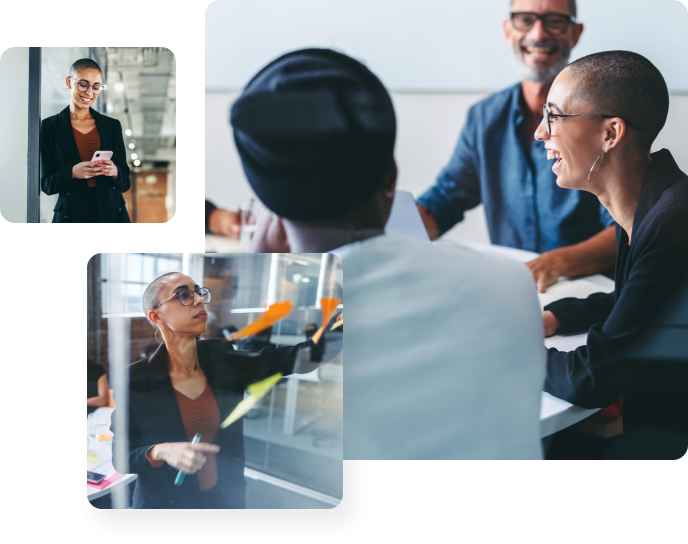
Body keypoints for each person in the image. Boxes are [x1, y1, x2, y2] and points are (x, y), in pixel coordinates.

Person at [232, 48, 547, 459]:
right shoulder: (510, 281)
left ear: (265, 203)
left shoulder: (270, 358)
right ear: (391, 177)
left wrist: (259, 279)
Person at [534, 51, 688, 459]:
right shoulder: (654, 202)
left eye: (554, 116)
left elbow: (591, 379)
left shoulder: (674, 222)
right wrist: (557, 317)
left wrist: (505, 346)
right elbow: (635, 304)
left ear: (610, 133)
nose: (539, 133)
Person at [416, 0, 617, 293]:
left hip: (590, 299)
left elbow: (628, 228)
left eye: (554, 21)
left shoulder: (603, 121)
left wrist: (554, 263)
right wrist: (385, 236)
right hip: (514, 294)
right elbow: (444, 202)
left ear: (575, 33)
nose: (538, 34)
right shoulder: (483, 118)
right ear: (508, 30)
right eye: (525, 19)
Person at [111, 272, 339, 508]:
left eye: (199, 292)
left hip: (224, 498)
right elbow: (121, 458)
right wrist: (161, 451)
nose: (199, 299)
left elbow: (299, 358)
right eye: (183, 295)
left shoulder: (223, 356)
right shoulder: (135, 378)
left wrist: (342, 324)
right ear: (156, 316)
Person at [40, 58, 131, 223]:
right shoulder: (49, 126)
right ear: (69, 82)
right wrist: (72, 173)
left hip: (111, 214)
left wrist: (115, 172)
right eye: (83, 84)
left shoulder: (112, 126)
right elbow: (46, 184)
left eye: (96, 87)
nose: (90, 93)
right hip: (71, 213)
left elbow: (125, 183)